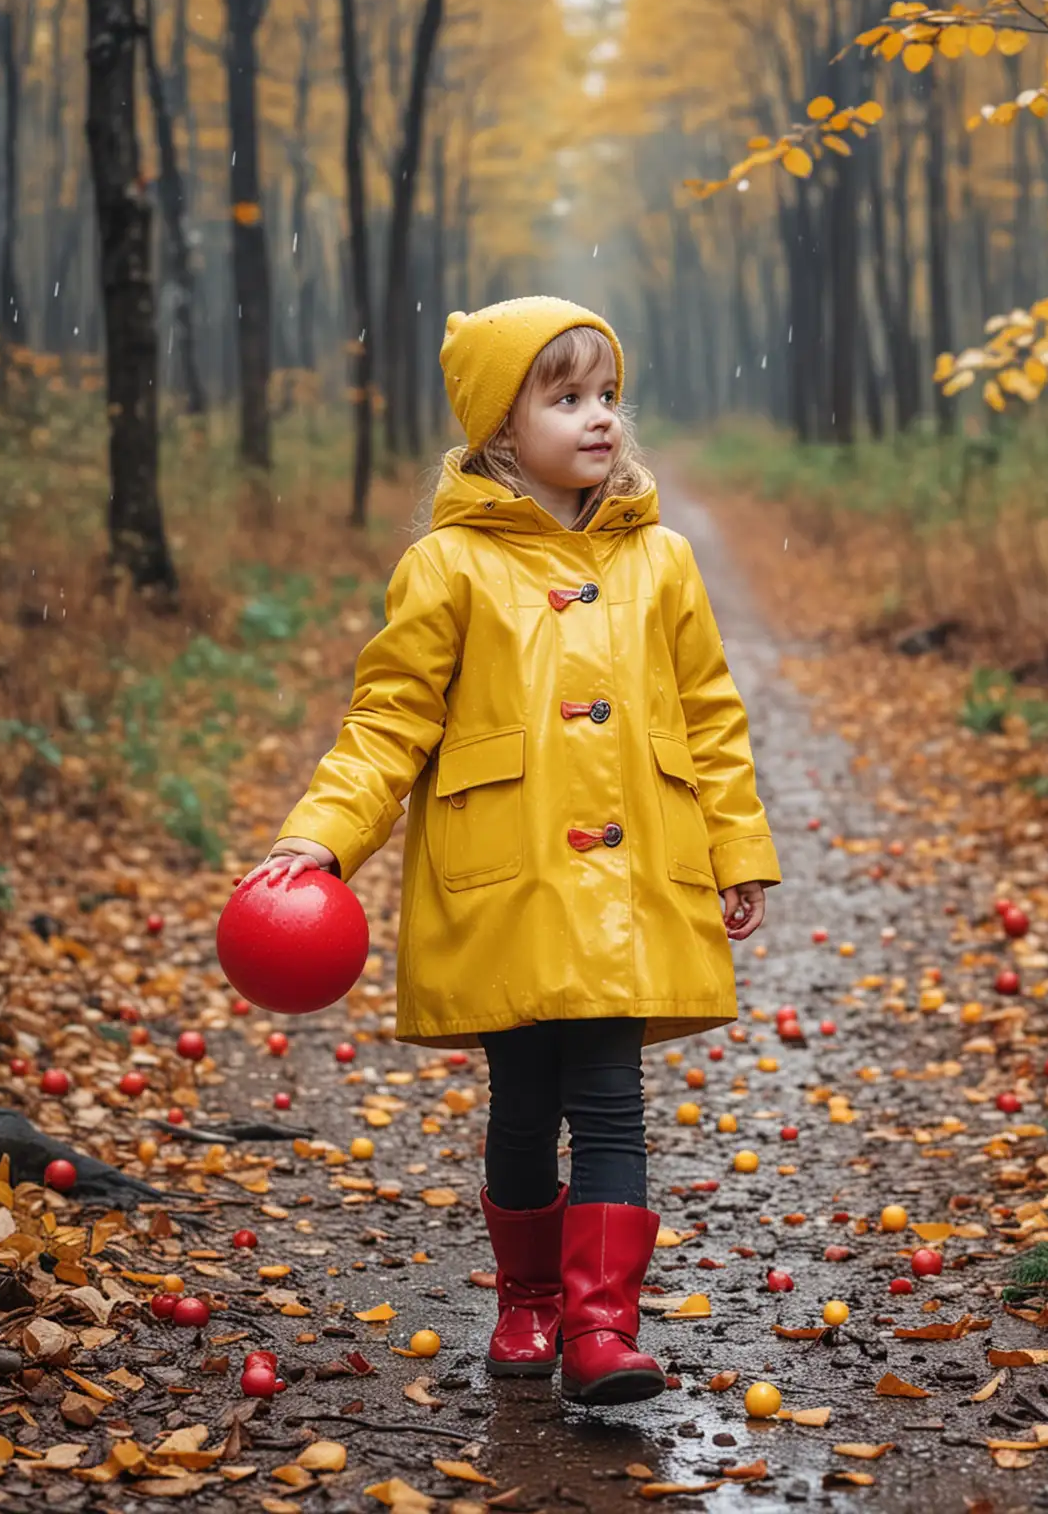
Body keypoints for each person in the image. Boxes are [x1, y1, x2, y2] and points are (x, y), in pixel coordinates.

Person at [238, 296, 781, 1406]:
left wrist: (738, 849)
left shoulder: (664, 562)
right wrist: (320, 839)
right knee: (525, 1108)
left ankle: (600, 1328)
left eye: (608, 396)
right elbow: (387, 721)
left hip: (631, 888)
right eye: (566, 396)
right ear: (498, 430)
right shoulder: (447, 569)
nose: (599, 419)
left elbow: (712, 715)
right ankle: (529, 1300)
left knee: (613, 1100)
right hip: (507, 888)